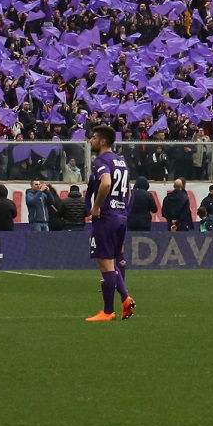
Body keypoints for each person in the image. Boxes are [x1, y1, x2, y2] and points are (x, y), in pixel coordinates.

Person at [84, 126, 135, 323]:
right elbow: (129, 191)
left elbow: (105, 183)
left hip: (106, 217)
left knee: (105, 263)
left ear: (102, 141)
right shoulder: (121, 161)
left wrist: (96, 207)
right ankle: (125, 300)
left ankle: (108, 311)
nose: (91, 141)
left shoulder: (101, 161)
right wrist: (123, 211)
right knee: (113, 259)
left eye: (94, 138)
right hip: (120, 215)